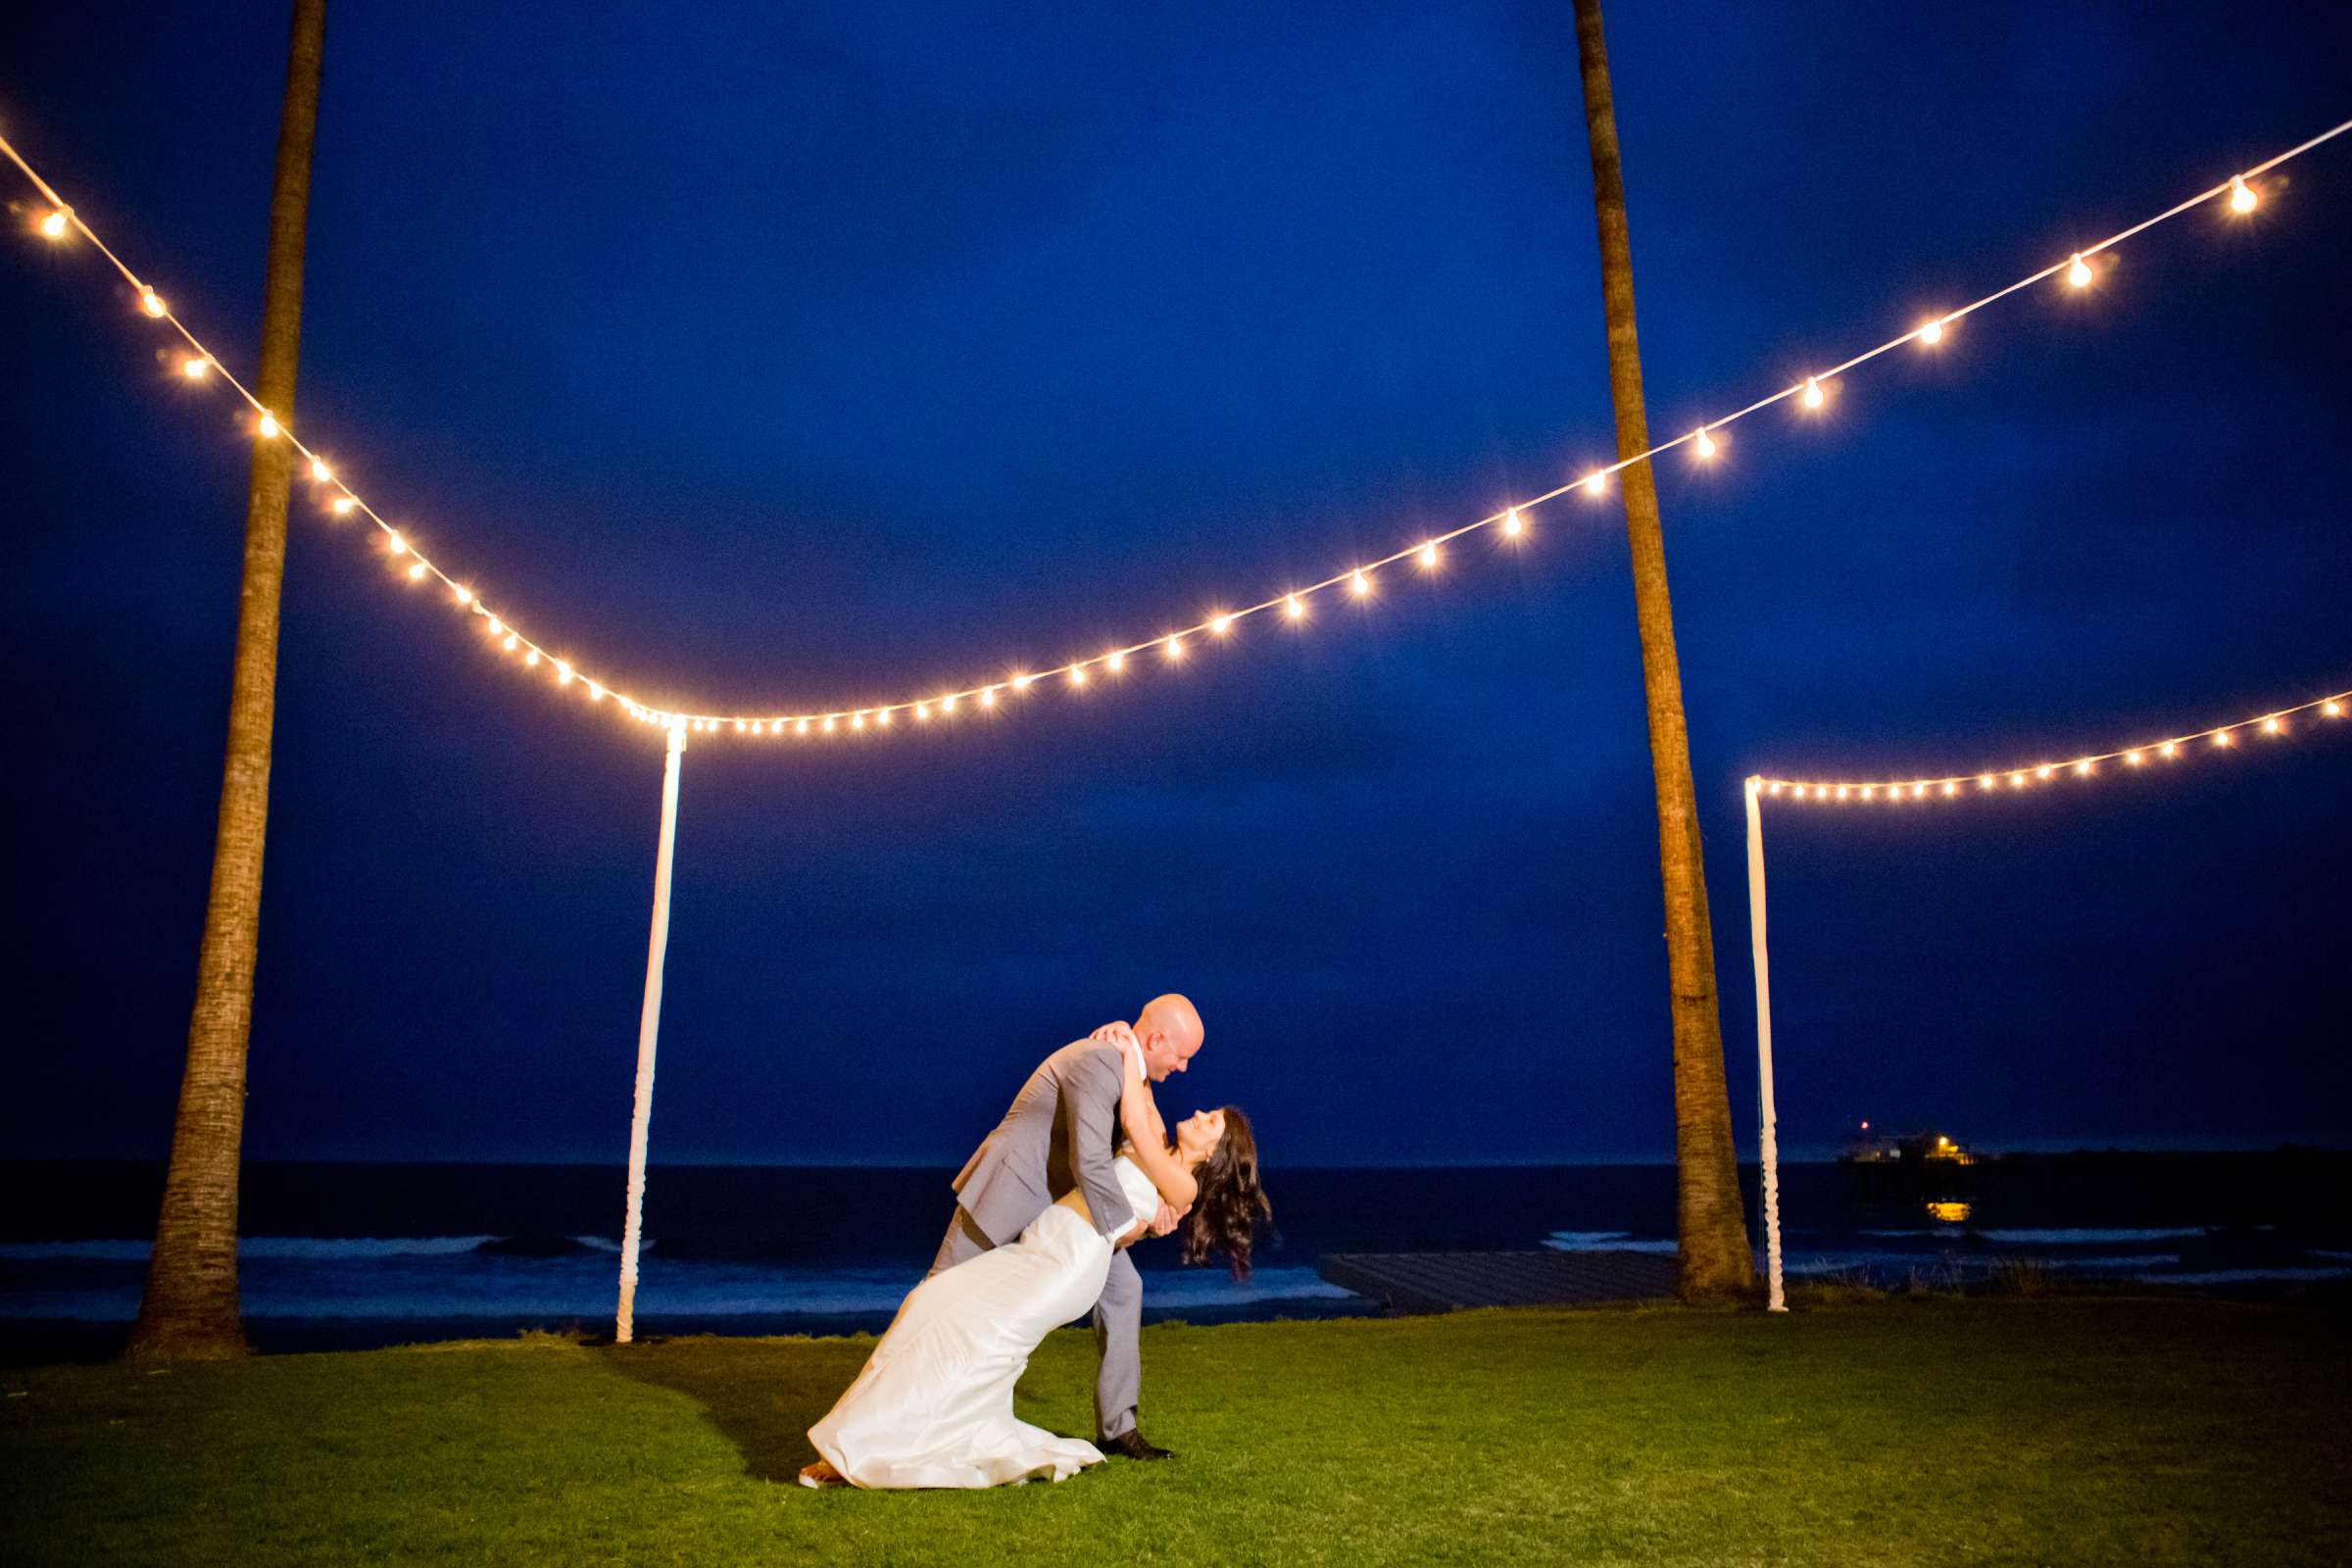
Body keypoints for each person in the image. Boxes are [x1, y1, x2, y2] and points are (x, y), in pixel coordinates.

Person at [799, 1011, 1267, 1490]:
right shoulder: (1104, 1063)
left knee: (1122, 1288)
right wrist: (1126, 1040)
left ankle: (1118, 1428)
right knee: (934, 1301)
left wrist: (1142, 1222)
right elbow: (1092, 1158)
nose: (1186, 1070)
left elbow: (1130, 1153)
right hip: (1020, 1195)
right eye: (1182, 1055)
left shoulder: (1152, 1123)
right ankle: (875, 1429)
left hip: (1072, 1239)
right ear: (1159, 1039)